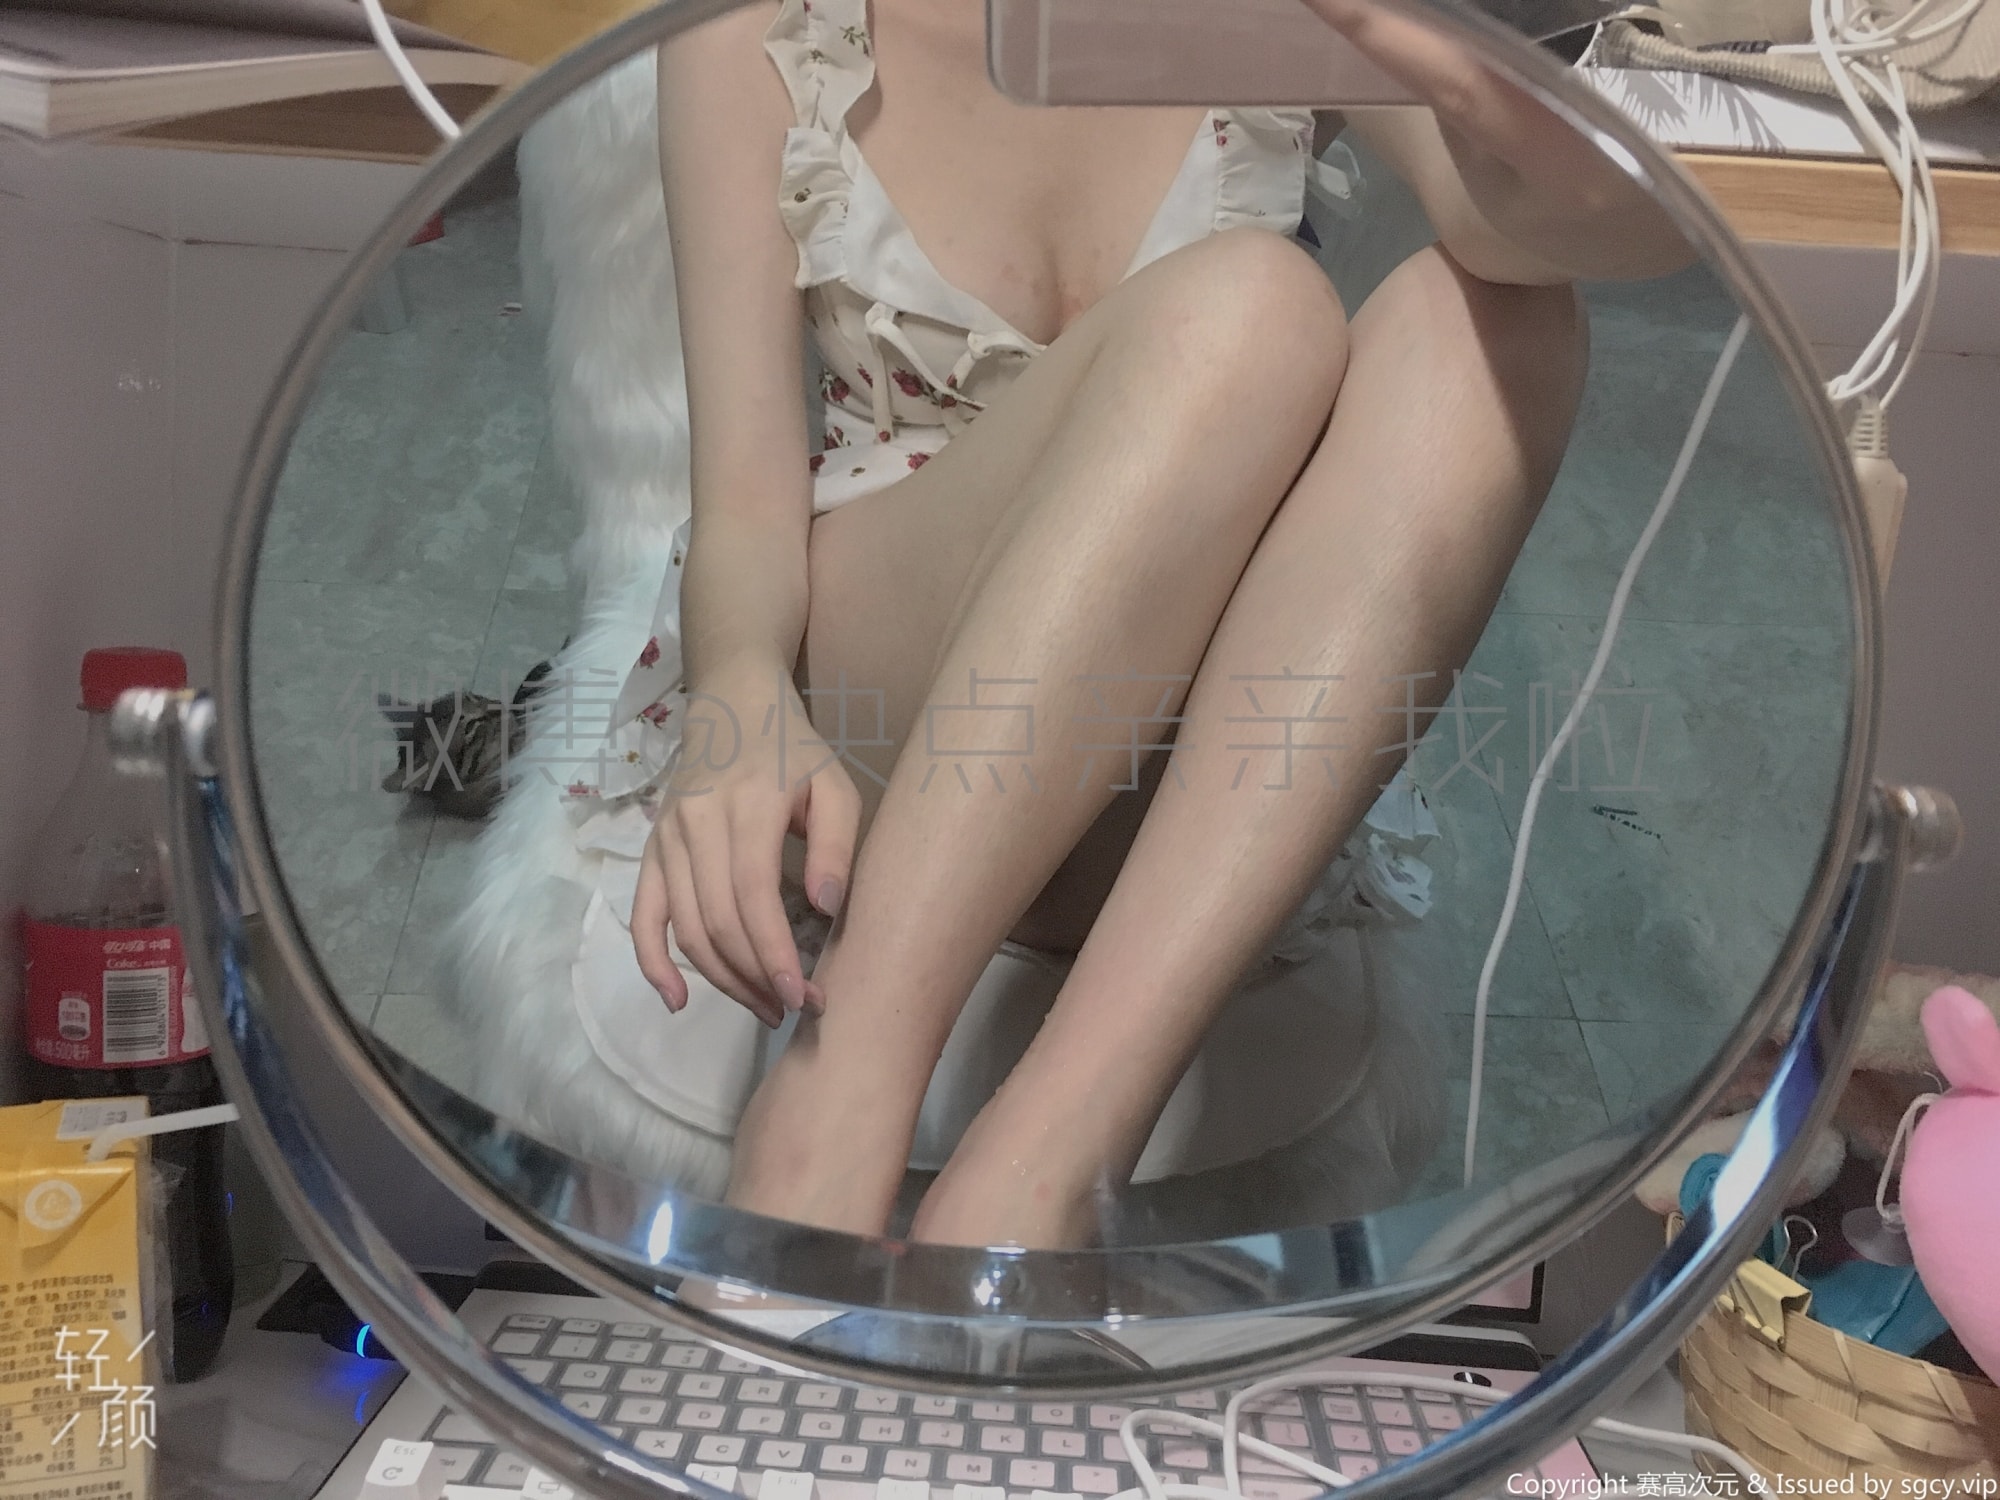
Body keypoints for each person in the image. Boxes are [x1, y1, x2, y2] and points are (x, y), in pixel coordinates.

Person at [578, 0, 1691, 1250]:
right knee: (1250, 310)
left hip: (1162, 729)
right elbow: (740, 503)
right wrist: (736, 691)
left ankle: (1047, 1163)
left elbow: (1531, 230)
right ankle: (834, 1098)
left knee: (1499, 321)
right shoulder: (755, 25)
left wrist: (1480, 86)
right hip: (889, 690)